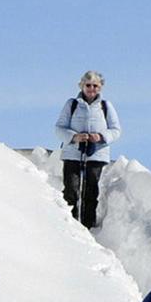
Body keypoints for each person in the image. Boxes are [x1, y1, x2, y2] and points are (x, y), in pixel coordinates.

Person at [54, 70, 120, 228]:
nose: (92, 89)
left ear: (101, 88)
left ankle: (87, 224)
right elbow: (59, 128)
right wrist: (74, 137)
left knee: (91, 190)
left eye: (95, 86)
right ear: (82, 86)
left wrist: (101, 136)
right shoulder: (72, 104)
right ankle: (70, 223)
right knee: (71, 188)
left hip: (96, 154)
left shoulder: (106, 106)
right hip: (73, 153)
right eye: (88, 85)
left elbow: (116, 130)